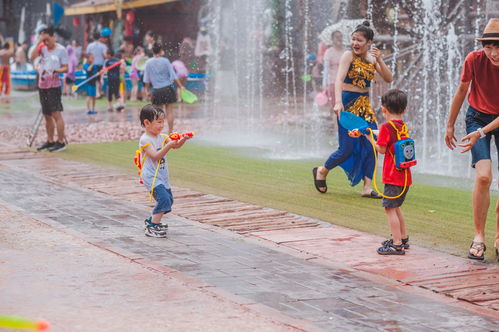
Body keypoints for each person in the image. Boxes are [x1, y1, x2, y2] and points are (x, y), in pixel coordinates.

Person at [313, 21, 393, 197]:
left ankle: (367, 187)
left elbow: (388, 78)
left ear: (369, 42)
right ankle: (322, 171)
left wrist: (379, 59)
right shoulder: (348, 55)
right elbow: (339, 80)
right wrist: (338, 102)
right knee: (346, 148)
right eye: (353, 39)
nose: (355, 43)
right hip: (347, 104)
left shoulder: (372, 59)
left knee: (372, 145)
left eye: (360, 40)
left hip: (365, 105)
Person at [444, 18, 499, 261]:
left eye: (498, 46)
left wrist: (481, 133)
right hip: (477, 116)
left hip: (491, 123)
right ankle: (479, 236)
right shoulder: (474, 59)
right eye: (488, 46)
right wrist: (449, 124)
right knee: (484, 175)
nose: (493, 52)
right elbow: (461, 91)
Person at [365, 89, 412, 255]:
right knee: (396, 206)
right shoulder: (402, 126)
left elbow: (382, 149)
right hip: (405, 176)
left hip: (392, 176)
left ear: (383, 109)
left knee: (389, 209)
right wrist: (375, 133)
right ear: (404, 109)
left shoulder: (386, 127)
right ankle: (403, 238)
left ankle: (397, 243)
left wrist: (370, 139)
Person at [138, 104, 189, 237]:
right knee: (164, 200)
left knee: (169, 201)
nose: (162, 125)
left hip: (162, 176)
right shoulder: (145, 140)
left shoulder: (162, 136)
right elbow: (155, 156)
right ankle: (152, 226)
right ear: (147, 123)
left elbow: (176, 146)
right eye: (159, 122)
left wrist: (182, 139)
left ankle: (151, 220)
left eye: (163, 122)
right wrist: (168, 146)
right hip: (151, 177)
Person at [29, 26, 68, 152]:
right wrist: (38, 42)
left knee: (56, 113)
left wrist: (55, 70)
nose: (46, 42)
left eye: (47, 39)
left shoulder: (61, 50)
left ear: (53, 36)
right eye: (43, 40)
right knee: (46, 115)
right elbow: (31, 57)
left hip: (54, 86)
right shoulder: (42, 48)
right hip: (43, 85)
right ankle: (50, 140)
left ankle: (61, 142)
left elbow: (66, 68)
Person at [143, 42, 185, 134]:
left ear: (153, 51)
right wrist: (181, 86)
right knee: (169, 111)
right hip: (167, 89)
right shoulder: (165, 61)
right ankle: (170, 132)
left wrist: (146, 90)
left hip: (157, 90)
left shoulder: (149, 62)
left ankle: (157, 132)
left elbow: (146, 78)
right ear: (161, 50)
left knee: (158, 113)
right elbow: (173, 76)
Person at [323, 31, 346, 105]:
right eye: (337, 37)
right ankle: (333, 116)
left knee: (345, 104)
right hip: (333, 82)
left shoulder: (346, 52)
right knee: (334, 105)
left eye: (340, 36)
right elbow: (326, 70)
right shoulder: (329, 52)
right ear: (332, 39)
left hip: (345, 82)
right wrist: (324, 84)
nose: (339, 39)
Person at [86, 31, 108, 98]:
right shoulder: (103, 46)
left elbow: (87, 55)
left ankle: (97, 92)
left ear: (93, 37)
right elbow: (105, 55)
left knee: (94, 79)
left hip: (92, 64)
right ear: (100, 37)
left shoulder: (90, 46)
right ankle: (99, 92)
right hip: (100, 64)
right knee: (100, 79)